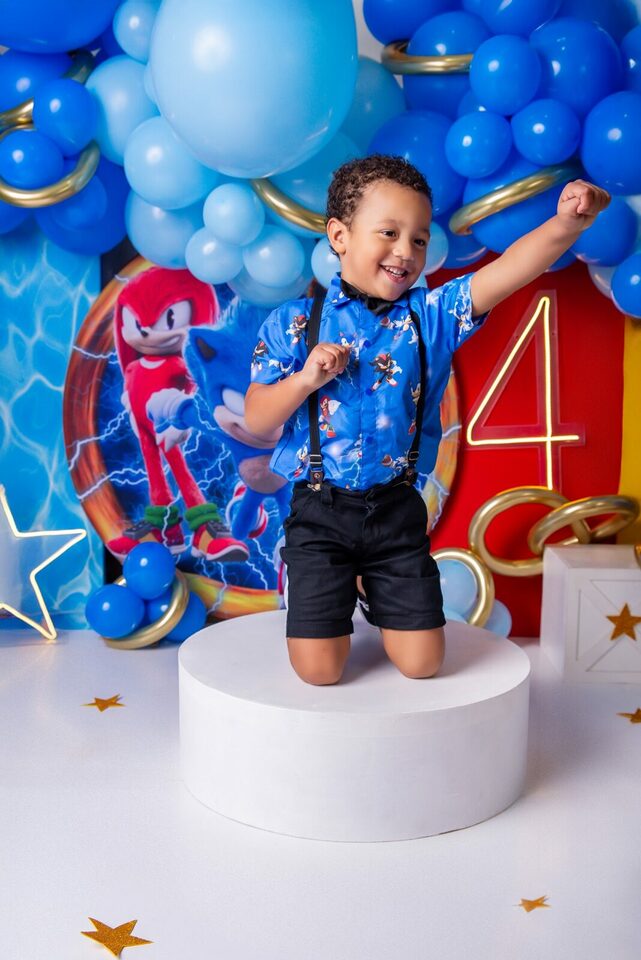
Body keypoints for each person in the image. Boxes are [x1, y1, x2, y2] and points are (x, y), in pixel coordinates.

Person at [244, 154, 609, 686]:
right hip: (321, 512)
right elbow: (257, 418)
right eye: (388, 233)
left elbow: (508, 270)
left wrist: (566, 224)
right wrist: (305, 380)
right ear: (340, 236)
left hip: (395, 512)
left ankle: (372, 584)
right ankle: (340, 580)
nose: (405, 252)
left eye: (418, 239)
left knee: (423, 665)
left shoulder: (431, 317)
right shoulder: (296, 323)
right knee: (318, 672)